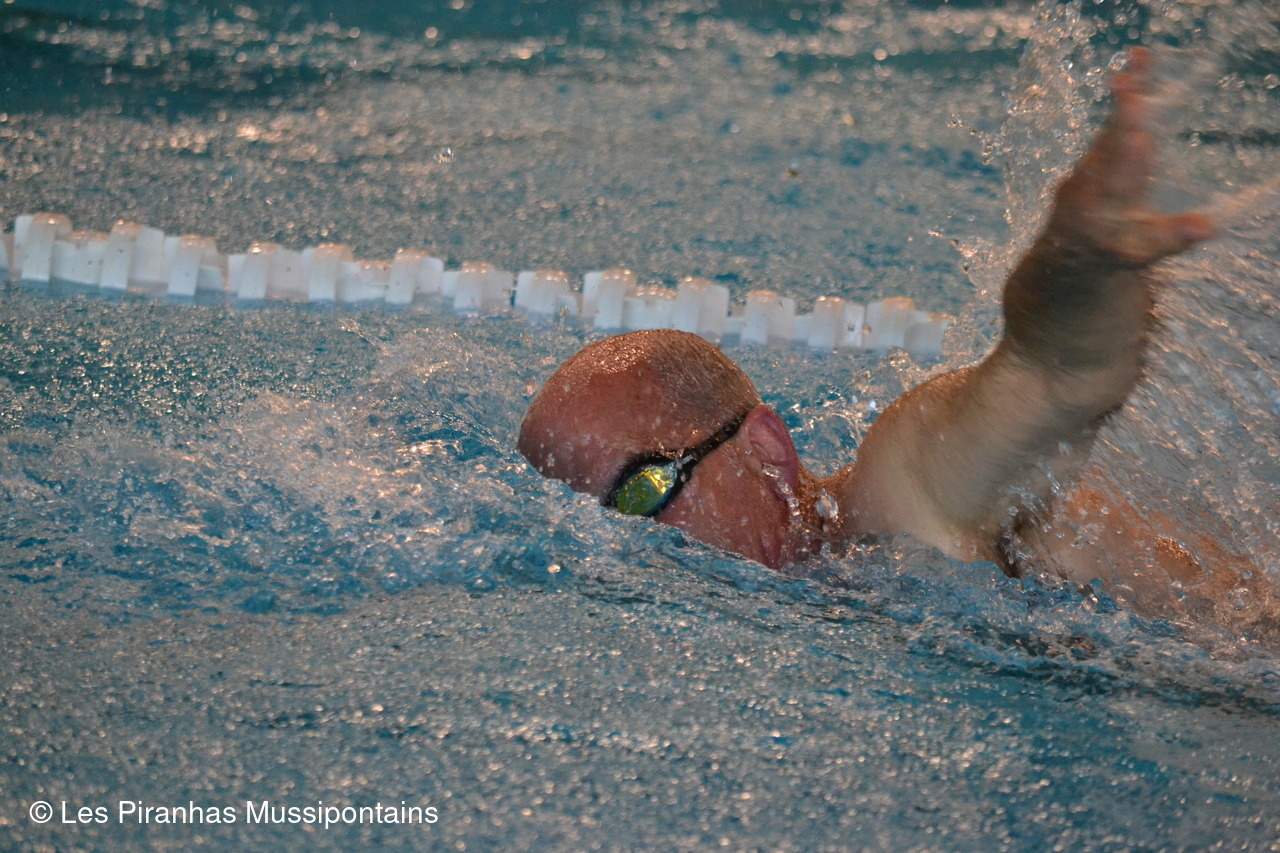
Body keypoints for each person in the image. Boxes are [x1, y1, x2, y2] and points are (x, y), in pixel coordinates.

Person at [518, 50, 1273, 623]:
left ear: (768, 452)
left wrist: (1080, 261)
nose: (616, 549)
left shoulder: (901, 497)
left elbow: (1053, 375)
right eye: (577, 520)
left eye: (639, 494)